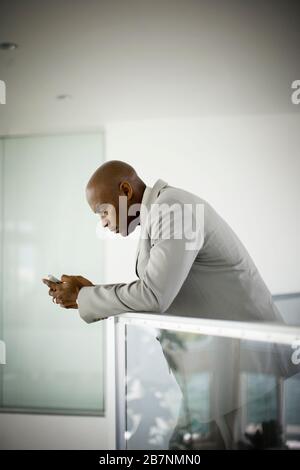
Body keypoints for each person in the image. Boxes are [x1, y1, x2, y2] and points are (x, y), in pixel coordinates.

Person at [42, 160, 283, 325]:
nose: (104, 223)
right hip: (233, 361)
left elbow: (154, 295)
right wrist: (88, 294)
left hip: (252, 361)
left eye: (103, 211)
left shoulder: (171, 207)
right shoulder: (160, 210)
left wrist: (85, 295)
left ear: (125, 191)